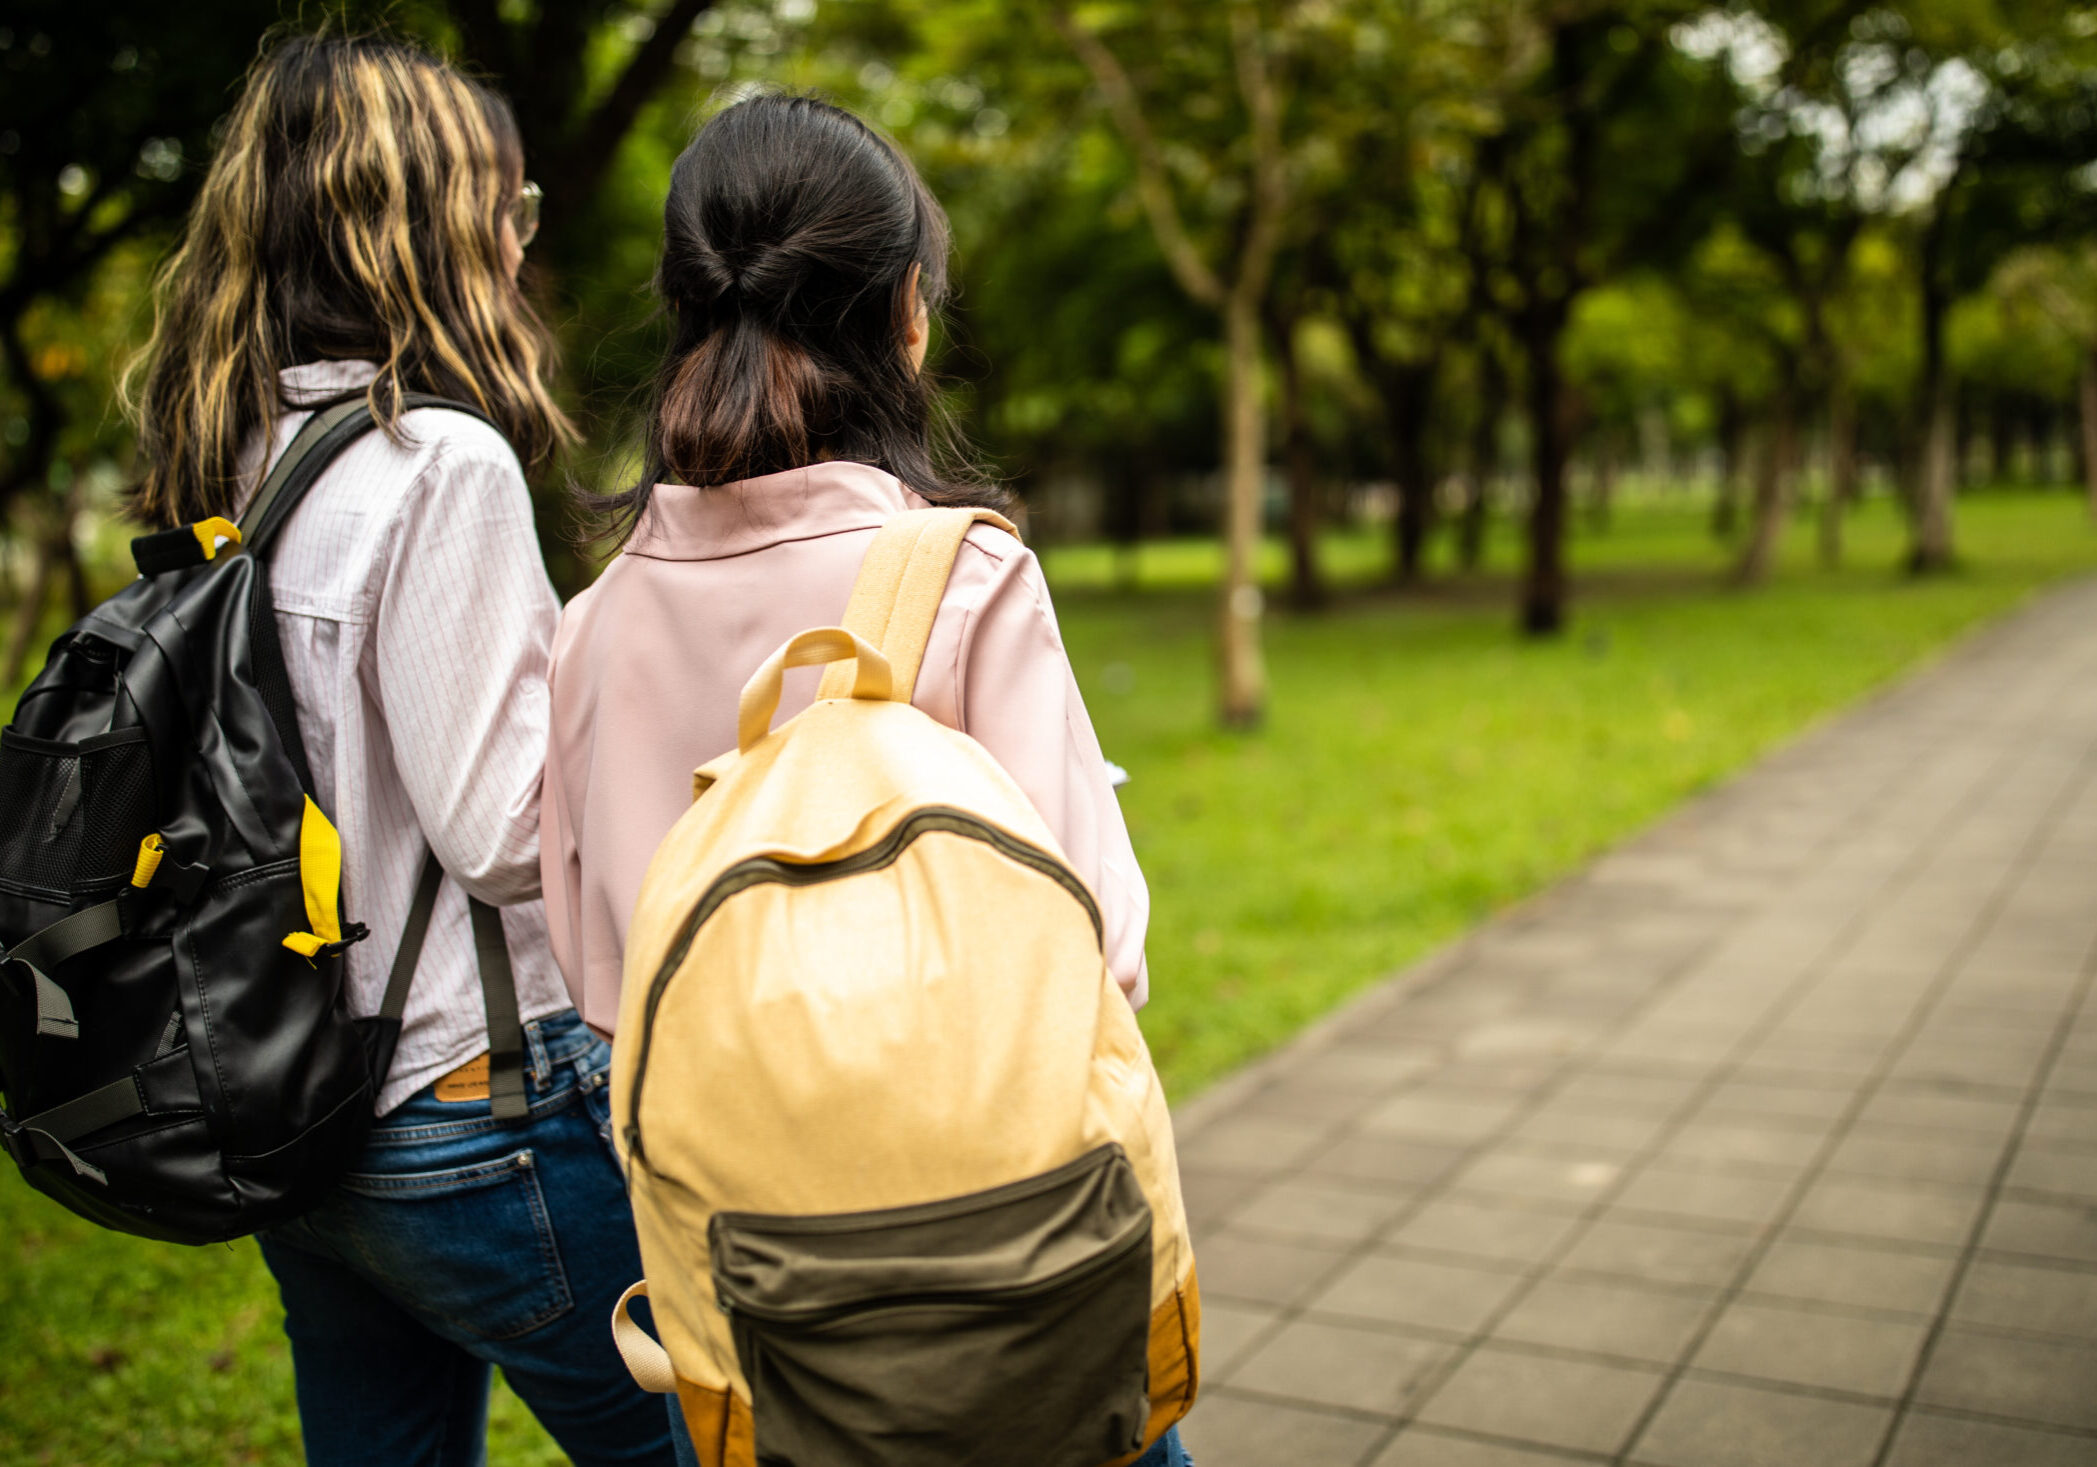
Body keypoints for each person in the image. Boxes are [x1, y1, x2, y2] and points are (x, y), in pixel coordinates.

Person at [540, 94, 1191, 1466]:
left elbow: (606, 987)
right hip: (1006, 1248)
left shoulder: (594, 625)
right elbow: (1098, 949)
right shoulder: (959, 576)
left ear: (685, 304)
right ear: (908, 311)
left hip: (759, 1304)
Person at [126, 32, 684, 1467]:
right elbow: (505, 839)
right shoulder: (440, 462)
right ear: (424, 231)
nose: (519, 243)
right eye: (508, 207)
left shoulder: (242, 450)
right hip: (472, 1113)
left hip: (300, 1110)